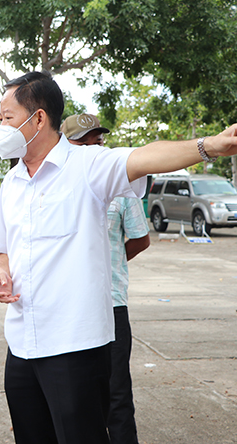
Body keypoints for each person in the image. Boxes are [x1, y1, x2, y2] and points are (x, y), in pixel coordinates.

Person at [0, 71, 237, 444]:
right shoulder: (13, 182)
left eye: (7, 117)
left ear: (38, 118)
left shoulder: (87, 166)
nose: (1, 127)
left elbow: (145, 157)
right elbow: (4, 248)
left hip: (74, 345)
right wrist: (1, 271)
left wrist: (210, 146)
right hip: (21, 344)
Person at [61, 113, 151, 444]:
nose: (92, 146)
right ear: (65, 143)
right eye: (83, 141)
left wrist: (97, 264)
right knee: (71, 395)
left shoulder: (121, 185)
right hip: (66, 306)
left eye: (97, 140)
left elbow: (140, 238)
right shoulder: (55, 184)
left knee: (117, 394)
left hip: (110, 303)